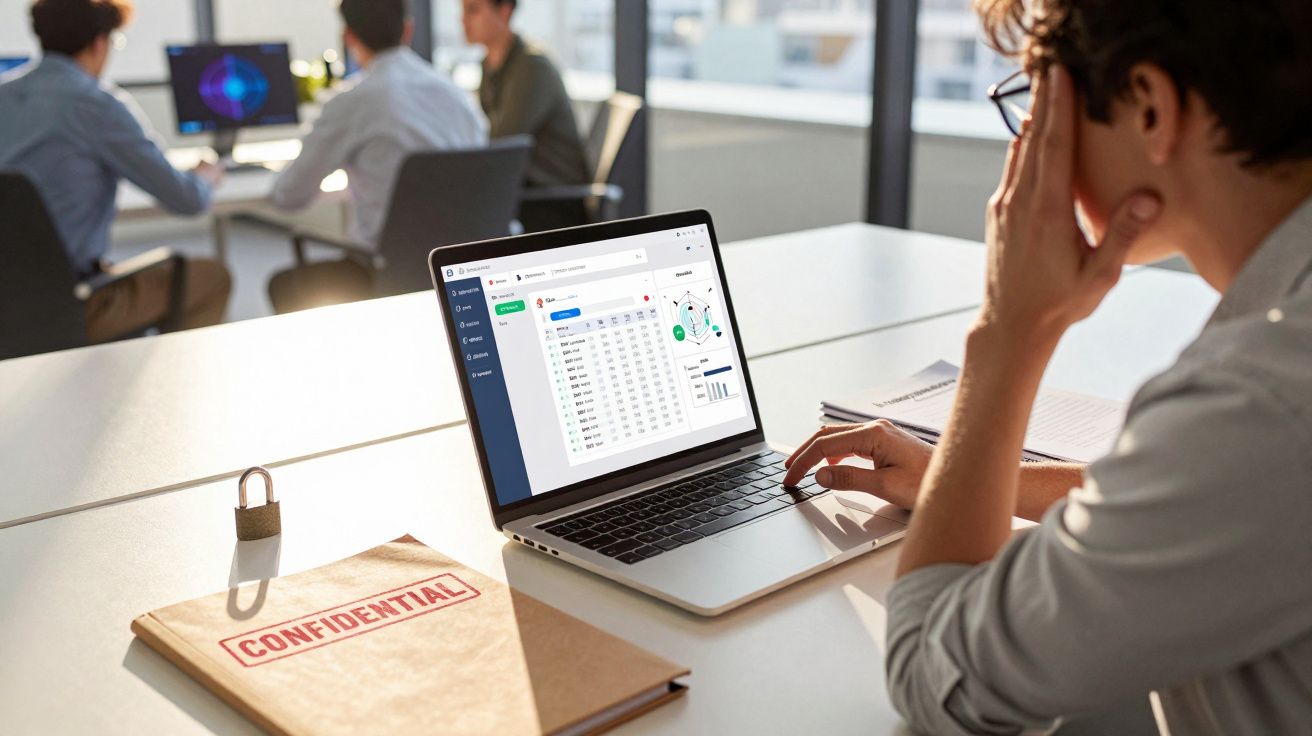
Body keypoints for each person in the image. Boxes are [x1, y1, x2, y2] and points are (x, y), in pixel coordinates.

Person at [783, 0, 1312, 733]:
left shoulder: (1255, 400)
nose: (1029, 144)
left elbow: (933, 675)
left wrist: (1007, 332)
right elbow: (1205, 500)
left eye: (1036, 99)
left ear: (1150, 109)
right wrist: (954, 477)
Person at [0, 0, 230, 342]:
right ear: (99, 42)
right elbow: (186, 200)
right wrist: (205, 177)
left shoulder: (4, 93)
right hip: (71, 302)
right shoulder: (97, 105)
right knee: (210, 278)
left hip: (9, 299)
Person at [268, 0, 487, 314]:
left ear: (348, 37)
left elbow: (289, 195)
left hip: (386, 274)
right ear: (408, 29)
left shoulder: (353, 102)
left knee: (283, 284)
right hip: (464, 273)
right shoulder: (459, 97)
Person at [462, 0, 591, 231]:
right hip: (521, 193)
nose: (462, 20)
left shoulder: (532, 66)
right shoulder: (490, 65)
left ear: (504, 12)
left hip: (551, 201)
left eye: (473, 10)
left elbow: (501, 142)